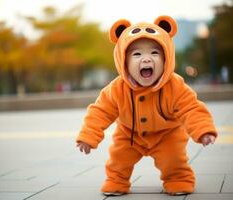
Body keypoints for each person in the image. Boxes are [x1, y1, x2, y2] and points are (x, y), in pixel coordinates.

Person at [76, 15, 217, 196]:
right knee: (118, 159)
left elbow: (191, 108)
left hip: (167, 134)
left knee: (173, 159)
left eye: (155, 53)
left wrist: (203, 129)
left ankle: (178, 179)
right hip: (129, 135)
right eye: (137, 54)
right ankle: (116, 180)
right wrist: (88, 135)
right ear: (123, 61)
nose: (146, 59)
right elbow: (100, 111)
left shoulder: (175, 86)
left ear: (166, 58)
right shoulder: (117, 89)